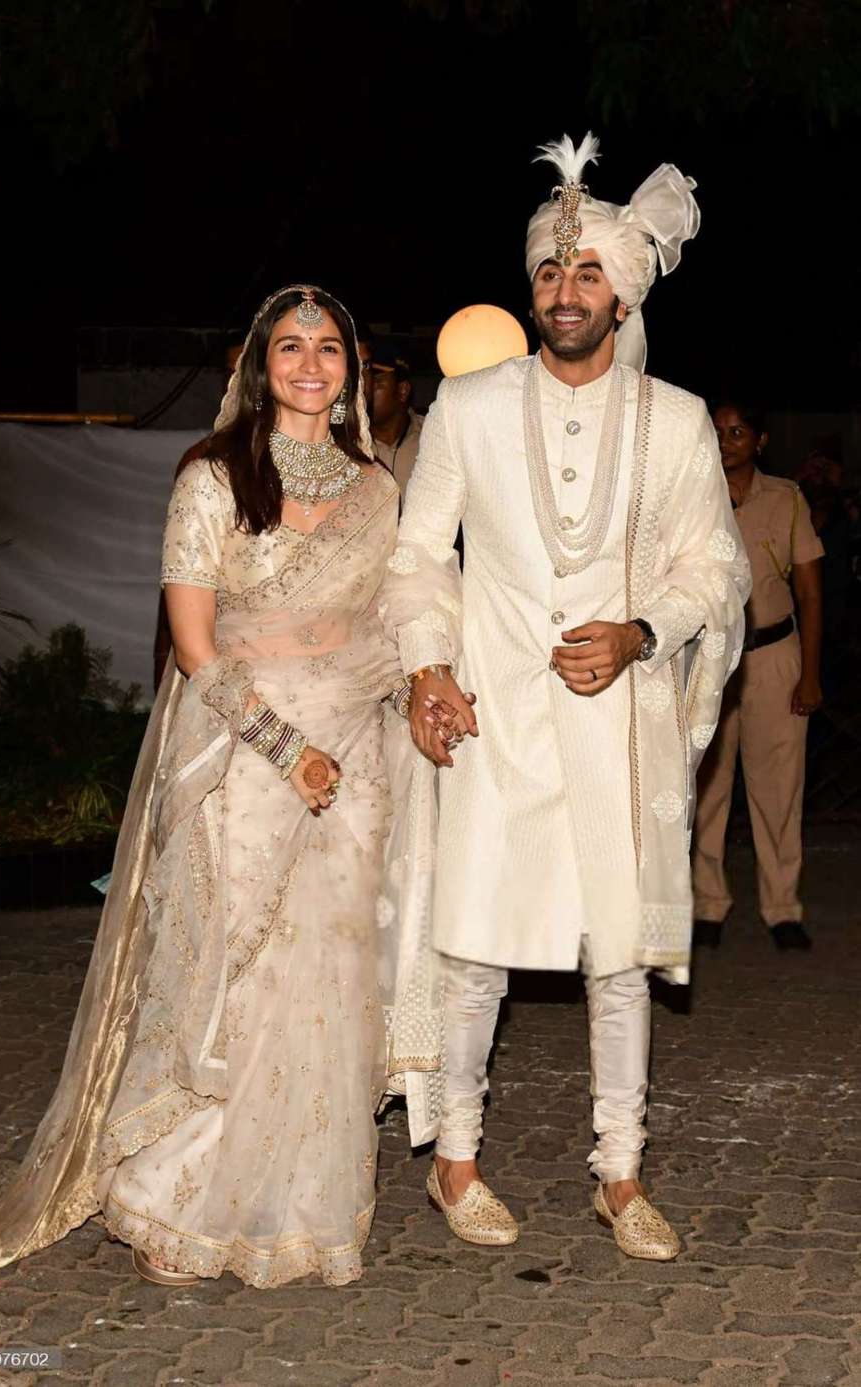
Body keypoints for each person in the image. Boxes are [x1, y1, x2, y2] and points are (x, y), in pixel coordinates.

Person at [0, 285, 442, 1289]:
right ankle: (184, 1200)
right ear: (258, 366)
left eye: (329, 348)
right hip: (241, 755)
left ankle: (301, 1209)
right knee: (227, 974)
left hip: (356, 756)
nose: (310, 364)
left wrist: (431, 683)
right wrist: (283, 744)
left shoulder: (379, 489)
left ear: (353, 367)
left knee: (331, 976)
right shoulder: (211, 477)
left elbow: (395, 613)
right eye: (289, 347)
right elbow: (198, 646)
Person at [380, 133, 750, 1261]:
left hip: (619, 721)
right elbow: (414, 557)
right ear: (530, 285)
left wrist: (645, 631)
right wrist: (429, 665)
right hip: (494, 714)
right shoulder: (469, 406)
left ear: (624, 289)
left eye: (590, 271)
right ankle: (457, 1162)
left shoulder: (680, 420)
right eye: (551, 269)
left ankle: (620, 1175)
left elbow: (717, 569)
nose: (567, 289)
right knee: (475, 946)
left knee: (619, 957)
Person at [692, 401, 824, 950]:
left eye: (738, 431)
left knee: (778, 788)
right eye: (719, 431)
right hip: (708, 658)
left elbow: (811, 592)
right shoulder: (692, 496)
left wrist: (810, 674)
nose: (726, 440)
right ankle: (707, 904)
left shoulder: (787, 498)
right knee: (706, 789)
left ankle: (782, 907)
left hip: (773, 654)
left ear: (760, 440)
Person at [153, 338, 246, 691]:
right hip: (215, 655)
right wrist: (163, 661)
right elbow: (176, 585)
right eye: (230, 372)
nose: (239, 380)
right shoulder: (202, 462)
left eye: (247, 367)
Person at [370, 348, 424, 501]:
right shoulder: (346, 443)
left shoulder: (434, 438)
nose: (363, 390)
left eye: (375, 382)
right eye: (360, 382)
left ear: (402, 390)